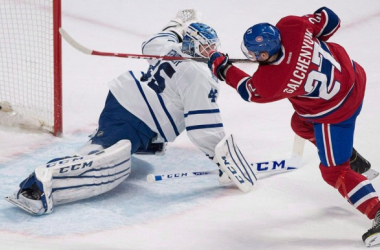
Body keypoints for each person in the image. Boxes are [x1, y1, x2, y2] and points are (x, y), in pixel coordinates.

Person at [5, 9, 232, 216]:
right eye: (206, 47)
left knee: (107, 151)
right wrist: (225, 160)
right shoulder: (201, 77)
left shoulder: (169, 48)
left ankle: (136, 143)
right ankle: (36, 186)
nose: (211, 52)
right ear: (193, 46)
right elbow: (203, 126)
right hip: (138, 117)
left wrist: (178, 24)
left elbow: (156, 40)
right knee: (107, 165)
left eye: (212, 47)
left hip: (122, 100)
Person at [207, 6, 380, 247]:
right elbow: (331, 20)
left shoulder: (271, 82)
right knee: (300, 123)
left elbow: (247, 89)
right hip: (353, 75)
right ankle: (346, 154)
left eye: (255, 54)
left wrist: (222, 67)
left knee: (334, 171)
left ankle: (376, 210)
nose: (252, 56)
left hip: (337, 112)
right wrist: (310, 39)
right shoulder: (292, 26)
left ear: (266, 55)